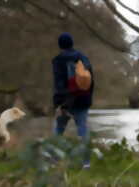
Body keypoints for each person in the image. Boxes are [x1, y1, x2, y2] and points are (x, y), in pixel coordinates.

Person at [51, 32, 94, 169]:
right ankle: (86, 163)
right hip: (82, 101)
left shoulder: (58, 60)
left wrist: (58, 103)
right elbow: (91, 81)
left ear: (60, 45)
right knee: (83, 132)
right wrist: (88, 98)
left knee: (58, 130)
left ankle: (54, 161)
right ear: (72, 43)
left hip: (65, 102)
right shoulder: (83, 59)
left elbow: (59, 84)